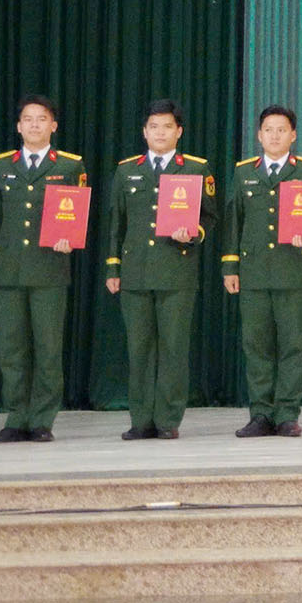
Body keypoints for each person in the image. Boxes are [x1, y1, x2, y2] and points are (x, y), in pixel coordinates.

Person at [105, 99, 217, 440]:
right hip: (135, 273)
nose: (160, 133)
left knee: (173, 348)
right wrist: (113, 268)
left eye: (167, 126)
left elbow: (210, 216)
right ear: (144, 131)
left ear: (179, 132)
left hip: (176, 271)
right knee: (139, 349)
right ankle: (141, 419)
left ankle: (168, 420)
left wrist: (193, 233)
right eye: (153, 127)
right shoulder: (126, 170)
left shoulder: (196, 169)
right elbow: (116, 223)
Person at [0, 94, 86, 443]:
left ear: (54, 126)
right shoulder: (1, 166)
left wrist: (70, 239)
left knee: (48, 348)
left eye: (41, 119)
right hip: (8, 270)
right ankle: (16, 418)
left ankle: (41, 420)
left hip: (49, 269)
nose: (34, 124)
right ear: (18, 126)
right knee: (12, 349)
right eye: (28, 119)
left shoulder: (70, 166)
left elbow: (77, 215)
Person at [221, 105, 302, 438]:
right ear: (259, 135)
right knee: (256, 346)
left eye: (281, 130)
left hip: (292, 270)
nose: (274, 136)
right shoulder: (244, 172)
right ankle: (260, 413)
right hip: (253, 272)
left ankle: (287, 414)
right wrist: (230, 266)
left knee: (292, 346)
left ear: (292, 135)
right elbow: (234, 221)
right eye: (268, 130)